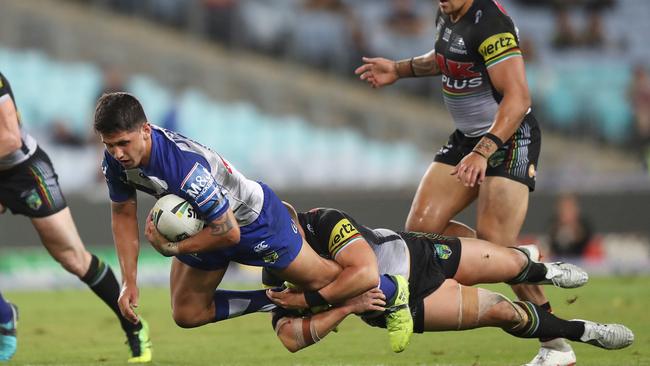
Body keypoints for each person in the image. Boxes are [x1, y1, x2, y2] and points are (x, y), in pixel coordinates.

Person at [93, 92, 413, 350]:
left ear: (145, 130)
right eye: (110, 145)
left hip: (257, 222)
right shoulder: (115, 161)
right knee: (187, 313)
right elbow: (122, 212)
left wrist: (173, 249)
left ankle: (387, 287)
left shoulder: (186, 168)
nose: (118, 153)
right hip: (208, 226)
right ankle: (277, 301)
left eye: (124, 143)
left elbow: (229, 233)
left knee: (321, 283)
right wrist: (129, 281)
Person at [354, 1, 571, 364]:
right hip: (466, 139)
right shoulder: (448, 10)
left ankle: (555, 345)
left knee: (496, 248)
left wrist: (484, 151)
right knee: (422, 231)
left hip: (509, 139)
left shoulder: (492, 25)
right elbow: (445, 57)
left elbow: (518, 99)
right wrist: (398, 68)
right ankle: (516, 256)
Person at [265, 206, 633, 358]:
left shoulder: (322, 221)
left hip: (417, 250)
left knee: (507, 261)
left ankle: (546, 271)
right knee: (503, 312)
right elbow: (290, 339)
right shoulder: (275, 270)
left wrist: (313, 298)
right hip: (405, 303)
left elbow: (364, 272)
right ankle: (582, 331)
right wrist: (347, 307)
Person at [0, 73, 152, 363]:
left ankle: (133, 325)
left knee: (72, 258)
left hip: (23, 172)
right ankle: (5, 316)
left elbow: (9, 139)